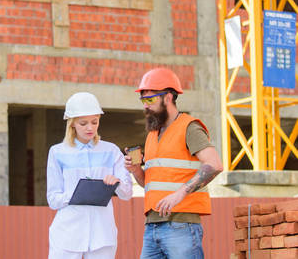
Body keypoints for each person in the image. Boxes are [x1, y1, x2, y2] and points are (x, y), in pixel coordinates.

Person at [125, 68, 223, 259]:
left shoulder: (189, 127)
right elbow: (150, 184)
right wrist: (136, 170)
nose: (145, 106)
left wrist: (179, 194)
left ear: (168, 97)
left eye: (150, 99)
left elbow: (214, 164)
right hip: (152, 225)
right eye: (143, 101)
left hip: (181, 225)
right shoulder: (153, 134)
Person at [47, 92, 133, 259]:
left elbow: (127, 193)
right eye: (83, 123)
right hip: (67, 233)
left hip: (102, 234)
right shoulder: (57, 152)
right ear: (72, 124)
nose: (90, 128)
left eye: (95, 122)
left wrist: (117, 183)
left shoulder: (111, 151)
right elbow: (53, 199)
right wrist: (78, 194)